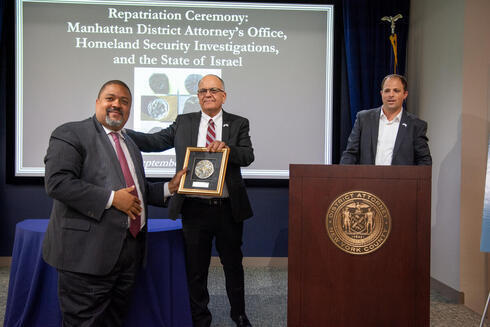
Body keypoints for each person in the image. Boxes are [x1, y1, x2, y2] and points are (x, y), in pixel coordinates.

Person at [42, 80, 185, 326]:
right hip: (87, 255)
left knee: (115, 320)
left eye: (124, 101)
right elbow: (58, 183)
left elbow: (136, 190)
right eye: (110, 98)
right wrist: (111, 199)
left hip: (129, 252)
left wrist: (168, 188)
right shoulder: (71, 133)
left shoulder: (129, 143)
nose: (116, 104)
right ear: (98, 102)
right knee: (84, 321)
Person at [126, 74, 254, 327]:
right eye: (203, 91)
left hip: (228, 209)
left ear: (223, 95)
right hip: (194, 208)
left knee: (233, 264)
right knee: (195, 269)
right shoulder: (184, 122)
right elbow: (154, 142)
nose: (208, 94)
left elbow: (248, 155)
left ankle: (238, 313)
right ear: (197, 96)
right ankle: (200, 318)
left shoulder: (238, 123)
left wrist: (227, 148)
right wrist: (122, 132)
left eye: (213, 90)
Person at [340, 74, 432, 165]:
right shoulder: (364, 119)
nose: (391, 95)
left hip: (400, 179)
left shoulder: (416, 125)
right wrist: (343, 176)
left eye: (396, 91)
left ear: (405, 94)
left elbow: (424, 161)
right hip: (368, 179)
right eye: (387, 91)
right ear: (381, 94)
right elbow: (350, 154)